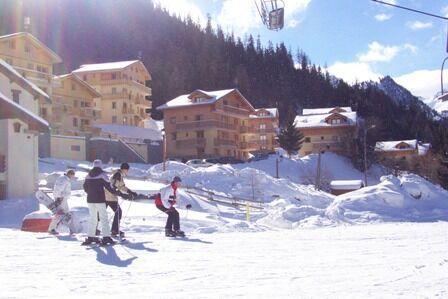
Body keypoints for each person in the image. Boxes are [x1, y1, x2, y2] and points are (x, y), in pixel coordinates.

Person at [82, 159, 122, 246]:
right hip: (99, 199)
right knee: (103, 218)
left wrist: (91, 193)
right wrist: (117, 193)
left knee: (93, 218)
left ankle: (90, 236)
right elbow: (109, 187)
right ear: (100, 165)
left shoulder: (88, 175)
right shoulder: (103, 175)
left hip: (90, 200)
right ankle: (106, 237)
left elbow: (85, 187)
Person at [104, 162, 137, 237]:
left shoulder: (119, 174)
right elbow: (113, 186)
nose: (127, 172)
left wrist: (130, 192)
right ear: (125, 169)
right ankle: (114, 230)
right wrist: (122, 194)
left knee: (104, 213)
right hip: (110, 197)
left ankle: (96, 229)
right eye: (127, 170)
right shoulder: (118, 174)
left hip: (108, 196)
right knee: (118, 212)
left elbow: (121, 186)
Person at [48, 169, 76, 235]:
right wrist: (58, 198)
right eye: (72, 176)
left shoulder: (64, 179)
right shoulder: (64, 180)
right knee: (59, 214)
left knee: (66, 214)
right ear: (70, 174)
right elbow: (58, 189)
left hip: (63, 199)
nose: (73, 177)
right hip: (61, 199)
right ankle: (52, 229)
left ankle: (71, 229)